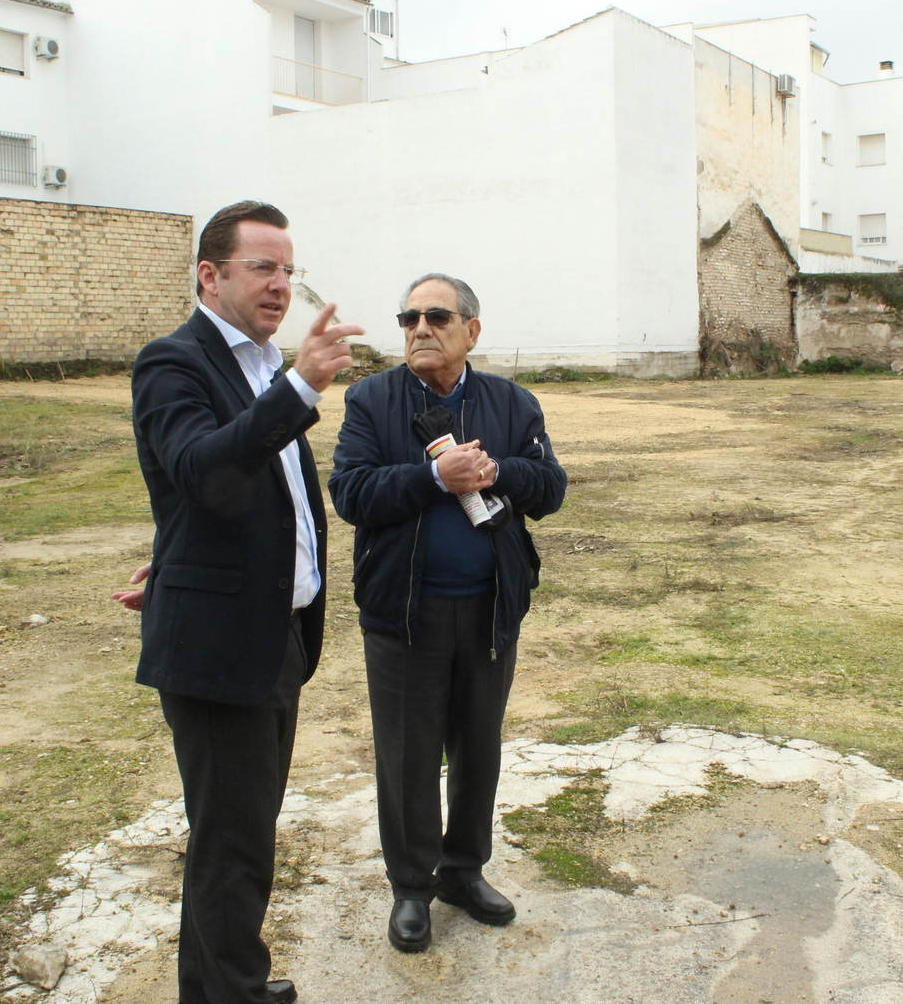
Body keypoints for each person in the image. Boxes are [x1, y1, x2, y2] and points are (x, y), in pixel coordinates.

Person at [113, 200, 363, 1004]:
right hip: (221, 645)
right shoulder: (174, 361)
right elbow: (205, 471)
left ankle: (229, 983)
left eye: (288, 268)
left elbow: (252, 498)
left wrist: (173, 556)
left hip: (275, 631)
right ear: (209, 274)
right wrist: (300, 386)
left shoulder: (258, 365)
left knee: (245, 835)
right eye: (262, 267)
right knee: (230, 845)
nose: (280, 284)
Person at [327, 273, 566, 953]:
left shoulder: (511, 403)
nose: (419, 329)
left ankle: (463, 871)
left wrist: (495, 474)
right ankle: (411, 887)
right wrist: (435, 478)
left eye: (436, 316)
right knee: (406, 757)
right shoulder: (371, 401)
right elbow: (351, 492)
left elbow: (549, 489)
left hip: (489, 610)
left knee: (477, 748)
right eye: (408, 318)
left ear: (471, 331)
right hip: (404, 614)